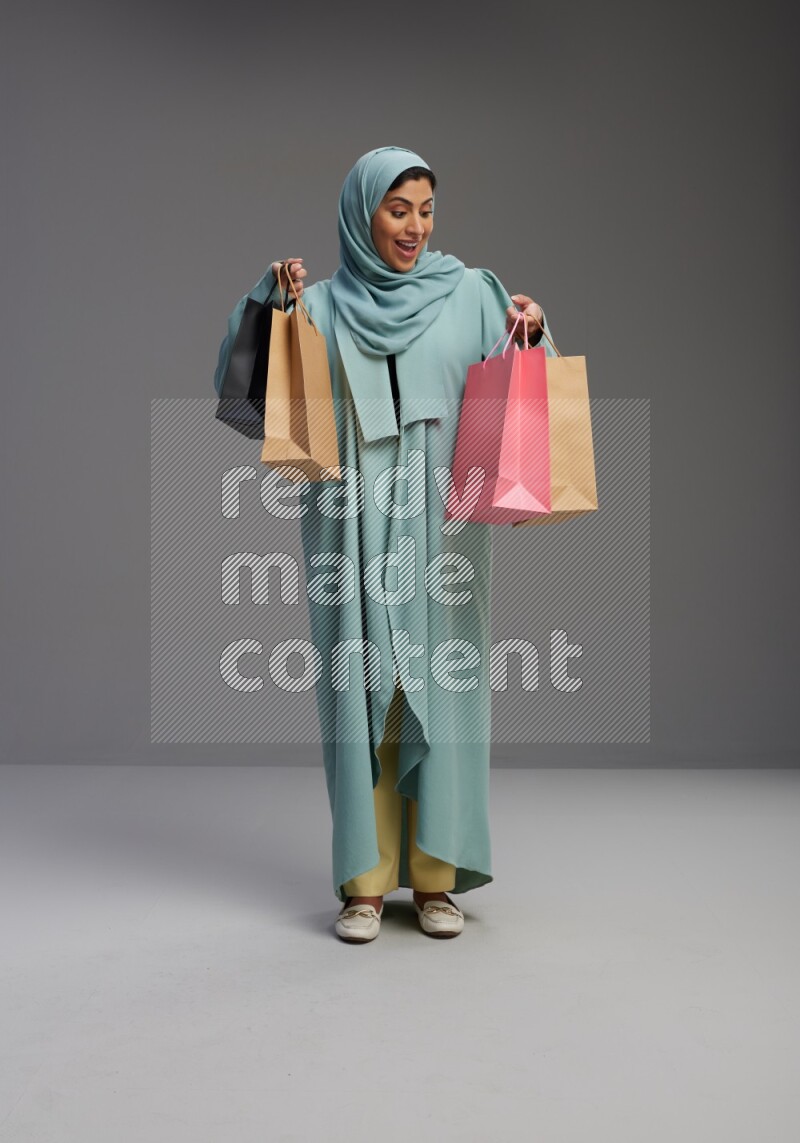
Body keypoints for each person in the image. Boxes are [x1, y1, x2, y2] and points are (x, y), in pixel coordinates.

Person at [213, 145, 556, 943]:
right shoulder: (323, 305)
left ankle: (437, 875)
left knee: (443, 686)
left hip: (442, 526)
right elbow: (251, 395)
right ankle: (365, 884)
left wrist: (529, 334)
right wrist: (271, 308)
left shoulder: (472, 294)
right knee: (362, 691)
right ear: (362, 212)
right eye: (398, 208)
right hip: (350, 521)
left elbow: (512, 377)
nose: (415, 226)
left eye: (426, 209)